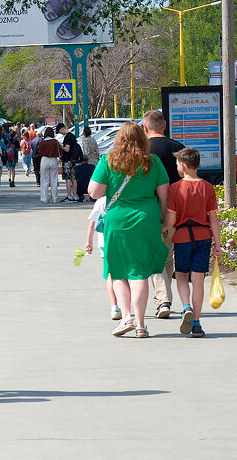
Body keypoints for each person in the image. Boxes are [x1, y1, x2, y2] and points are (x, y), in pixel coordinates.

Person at [87, 122, 169, 339]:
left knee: (119, 271)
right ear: (143, 138)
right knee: (140, 272)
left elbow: (94, 192)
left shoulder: (108, 161)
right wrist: (162, 220)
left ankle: (126, 317)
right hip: (147, 219)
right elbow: (164, 195)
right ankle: (141, 325)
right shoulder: (153, 162)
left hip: (118, 221)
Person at [166, 147, 221, 338]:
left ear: (182, 165)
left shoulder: (175, 188)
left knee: (181, 276)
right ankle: (196, 324)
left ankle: (186, 306)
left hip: (182, 237)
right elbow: (213, 218)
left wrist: (164, 227)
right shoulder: (207, 187)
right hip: (203, 237)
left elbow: (172, 221)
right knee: (198, 280)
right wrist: (218, 245)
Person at [142, 109, 185, 320]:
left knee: (152, 256)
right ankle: (163, 298)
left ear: (145, 127)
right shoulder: (178, 148)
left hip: (149, 209)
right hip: (175, 210)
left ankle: (163, 299)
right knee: (167, 255)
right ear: (165, 125)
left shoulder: (142, 150)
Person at [85, 194, 121, 320]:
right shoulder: (123, 198)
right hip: (121, 241)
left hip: (104, 243)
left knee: (111, 274)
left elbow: (92, 224)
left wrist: (89, 242)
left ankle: (114, 306)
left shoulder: (100, 202)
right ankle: (126, 303)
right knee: (124, 275)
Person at [37, 127, 62, 203]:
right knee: (54, 180)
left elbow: (40, 153)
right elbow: (59, 152)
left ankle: (45, 198)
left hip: (44, 159)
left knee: (44, 180)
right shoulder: (55, 142)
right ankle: (54, 198)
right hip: (53, 159)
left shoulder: (42, 142)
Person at [58, 124, 80, 203]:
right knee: (74, 178)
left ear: (62, 128)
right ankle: (74, 195)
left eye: (60, 131)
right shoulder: (73, 136)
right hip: (73, 160)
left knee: (68, 178)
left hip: (67, 160)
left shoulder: (67, 137)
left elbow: (67, 149)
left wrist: (60, 146)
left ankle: (69, 196)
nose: (60, 133)